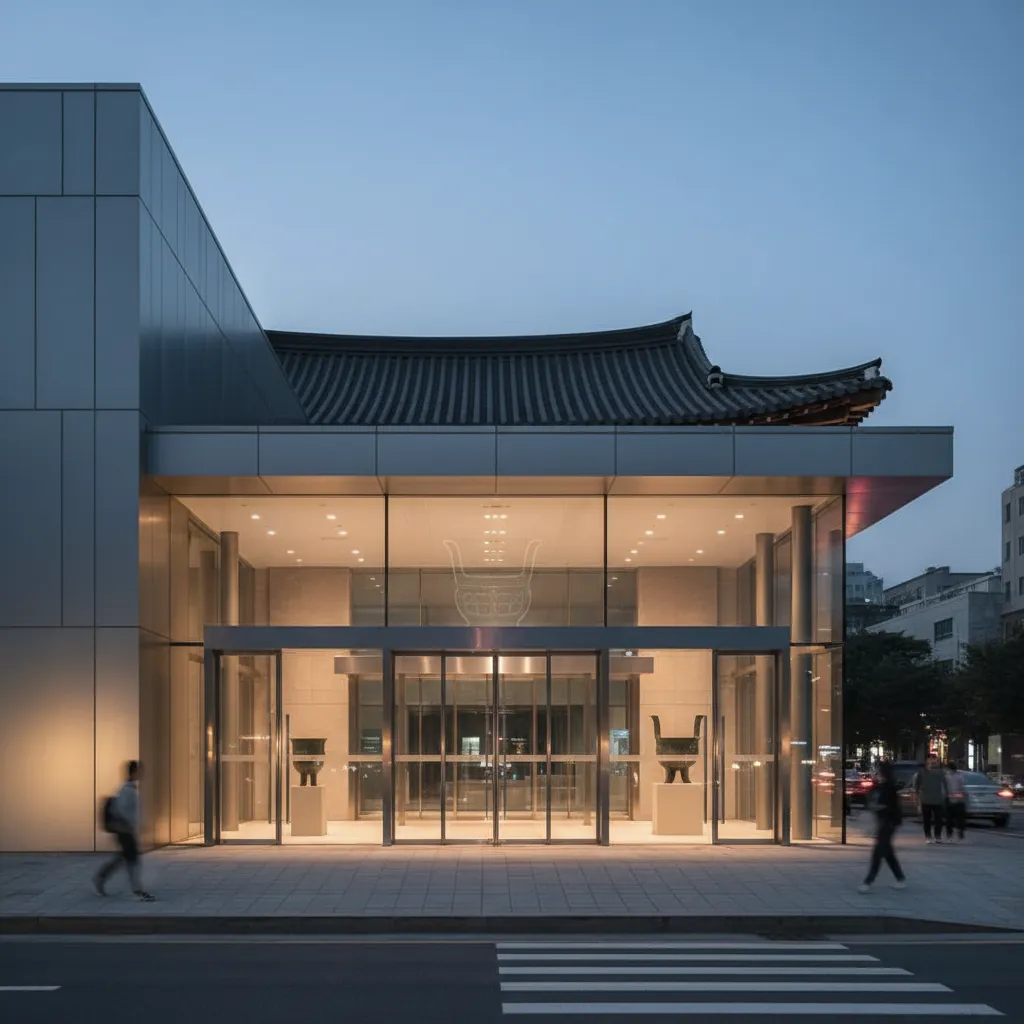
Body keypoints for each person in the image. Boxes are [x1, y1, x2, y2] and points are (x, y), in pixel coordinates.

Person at [93, 760, 155, 901]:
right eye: (139, 771)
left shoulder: (130, 789)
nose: (141, 774)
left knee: (124, 858)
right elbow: (122, 810)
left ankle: (101, 877)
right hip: (125, 830)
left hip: (127, 829)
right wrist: (132, 825)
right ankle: (137, 890)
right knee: (132, 859)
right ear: (134, 772)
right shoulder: (126, 790)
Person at [858, 760, 906, 892]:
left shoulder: (890, 788)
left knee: (878, 852)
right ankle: (900, 878)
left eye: (878, 772)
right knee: (887, 852)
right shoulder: (877, 787)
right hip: (879, 822)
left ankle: (868, 881)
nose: (876, 774)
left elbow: (893, 807)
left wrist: (880, 807)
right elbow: (869, 800)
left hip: (889, 822)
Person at [914, 755, 948, 844]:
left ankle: (937, 836)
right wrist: (918, 795)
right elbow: (917, 785)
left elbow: (945, 784)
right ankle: (928, 836)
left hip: (938, 800)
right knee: (926, 820)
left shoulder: (940, 772)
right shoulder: (921, 772)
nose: (932, 762)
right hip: (926, 799)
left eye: (934, 761)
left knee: (938, 820)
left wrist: (946, 795)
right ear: (927, 762)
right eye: (930, 760)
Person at [945, 761, 967, 842]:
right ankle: (960, 832)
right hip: (959, 799)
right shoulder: (960, 776)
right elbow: (963, 787)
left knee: (949, 819)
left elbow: (944, 788)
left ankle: (949, 835)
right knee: (960, 818)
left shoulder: (946, 776)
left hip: (949, 799)